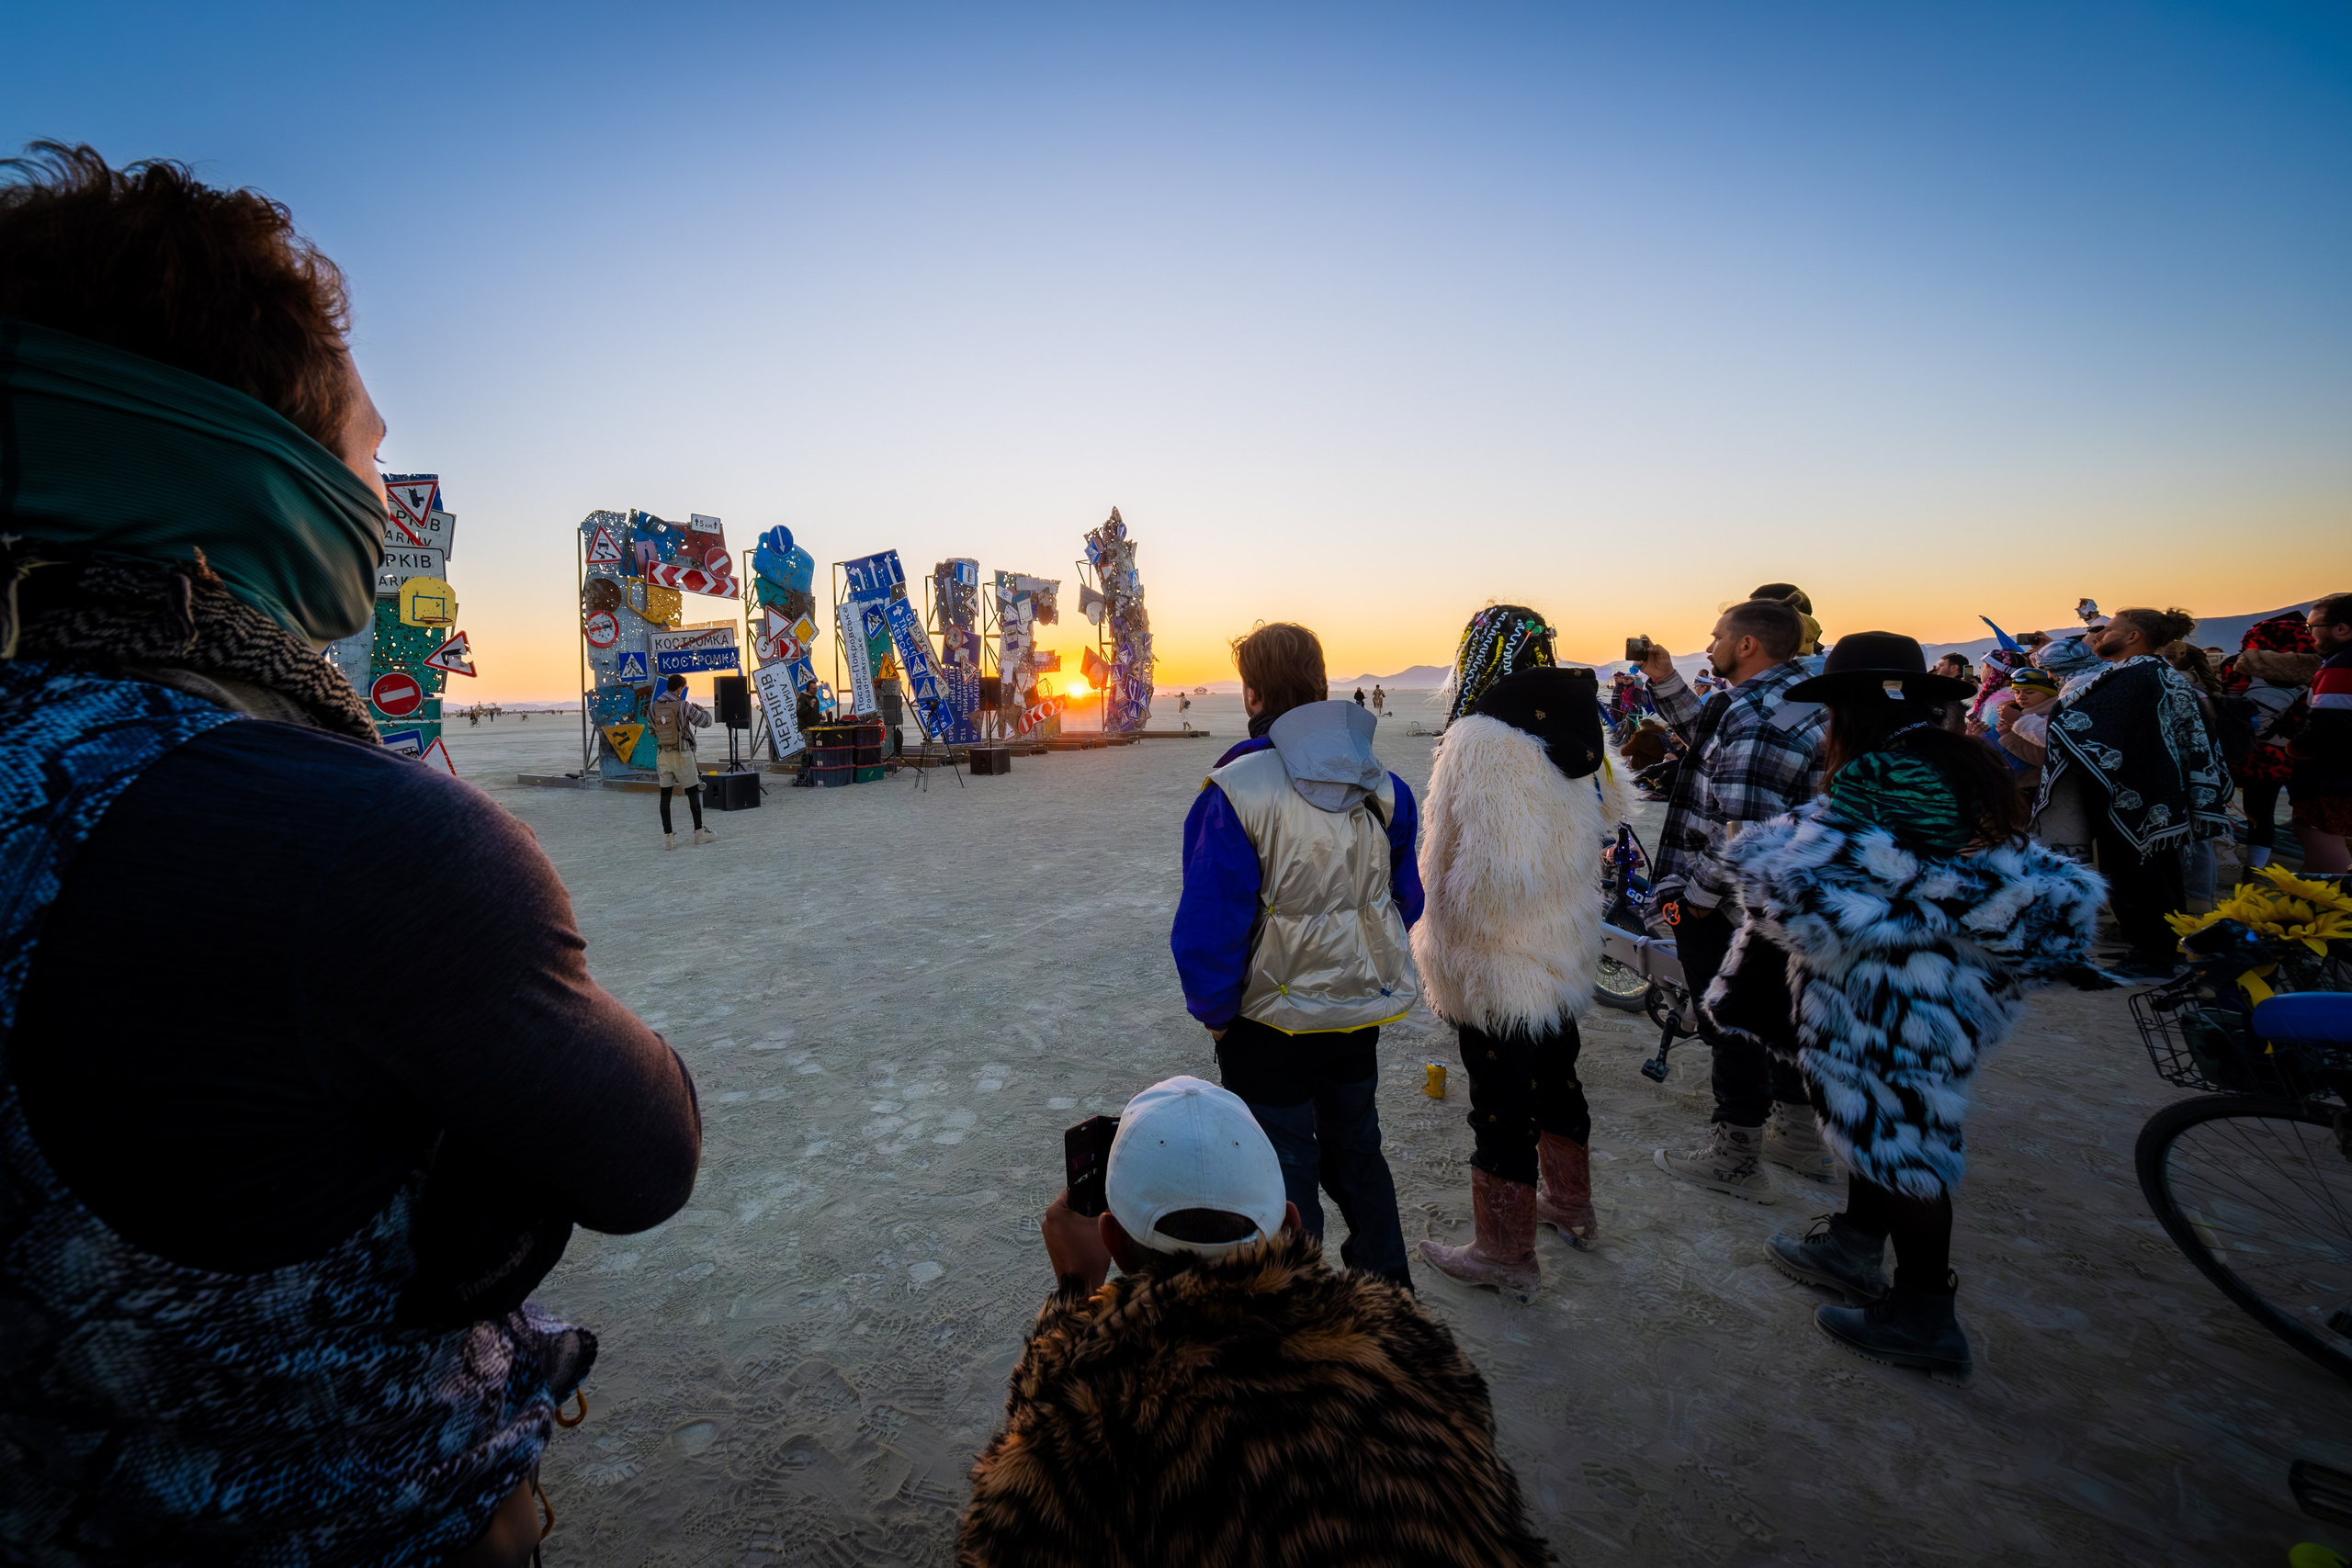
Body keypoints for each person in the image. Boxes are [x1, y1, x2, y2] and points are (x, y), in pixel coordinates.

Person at [0, 141, 702, 1567]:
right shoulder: (353, 839)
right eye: (367, 452)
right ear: (262, 465)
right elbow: (647, 1151)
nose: (382, 504)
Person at [1705, 633, 2103, 1382]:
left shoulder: (1881, 771)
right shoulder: (1956, 757)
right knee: (1879, 1121)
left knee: (1903, 1144)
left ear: (1850, 707)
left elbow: (1835, 892)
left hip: (1893, 985)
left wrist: (1767, 872)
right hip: (1939, 976)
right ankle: (1854, 1242)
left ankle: (1923, 1314)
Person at [958, 1077, 1552, 1566]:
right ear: (1291, 1225)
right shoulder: (1410, 1347)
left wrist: (1074, 1293)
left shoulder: (1082, 1430)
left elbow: (1006, 1529)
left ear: (1111, 1240)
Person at [1170, 622, 1420, 1288]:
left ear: (1252, 693)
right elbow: (1404, 900)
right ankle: (1389, 1292)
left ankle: (1297, 1305)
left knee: (1282, 1170)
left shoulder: (1236, 788)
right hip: (1355, 1015)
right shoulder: (1385, 786)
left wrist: (1215, 1013)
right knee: (1358, 1150)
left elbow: (1210, 921)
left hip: (1266, 1026)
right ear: (1321, 684)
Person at [1412, 607, 1624, 1294]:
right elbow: (1611, 815)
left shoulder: (1479, 736)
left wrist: (1444, 932)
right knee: (1559, 1078)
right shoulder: (1581, 723)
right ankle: (1572, 1206)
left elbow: (1469, 865)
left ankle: (1504, 1254)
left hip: (1498, 955)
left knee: (1500, 1100)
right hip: (1563, 942)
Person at [1635, 598, 1832, 1196]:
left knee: (1732, 1019)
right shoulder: (1795, 698)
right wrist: (1665, 680)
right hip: (1787, 897)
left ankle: (1736, 1157)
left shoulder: (1760, 715)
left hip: (1731, 902)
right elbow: (1713, 743)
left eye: (1718, 635)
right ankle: (1799, 1140)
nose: (1710, 644)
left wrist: (1696, 894)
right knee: (1779, 1012)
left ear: (1747, 645)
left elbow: (1746, 830)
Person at [2041, 607, 2232, 976]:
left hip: (2136, 795)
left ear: (2132, 637)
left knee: (2141, 876)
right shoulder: (2145, 674)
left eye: (2110, 629)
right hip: (2142, 791)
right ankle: (2151, 948)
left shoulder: (2140, 677)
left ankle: (2157, 954)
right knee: (2145, 873)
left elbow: (2083, 724)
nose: (2099, 635)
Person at [2221, 611, 2319, 876]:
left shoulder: (2236, 669)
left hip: (2230, 749)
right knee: (2262, 814)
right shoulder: (2316, 675)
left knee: (2215, 803)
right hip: (2277, 757)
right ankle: (2255, 871)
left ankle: (2217, 856)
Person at [2290, 592, 2352, 874]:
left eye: (2311, 627)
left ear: (2341, 628)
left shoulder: (2342, 665)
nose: (2308, 634)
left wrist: (2295, 748)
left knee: (2322, 844)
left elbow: (2327, 724)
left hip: (2332, 776)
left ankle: (2331, 898)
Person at [648, 672, 716, 845]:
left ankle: (668, 838)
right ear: (680, 689)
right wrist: (702, 710)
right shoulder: (684, 705)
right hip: (683, 754)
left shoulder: (653, 707)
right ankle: (699, 833)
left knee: (665, 798)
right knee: (693, 795)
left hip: (663, 755)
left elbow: (652, 732)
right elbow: (706, 722)